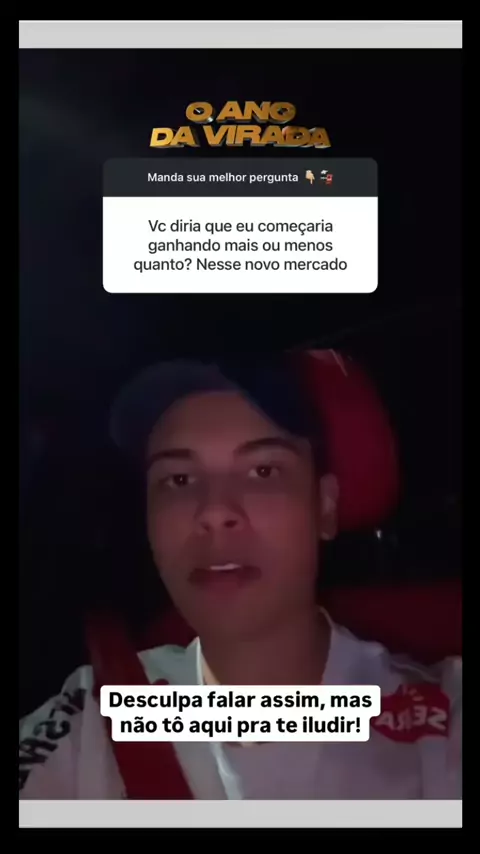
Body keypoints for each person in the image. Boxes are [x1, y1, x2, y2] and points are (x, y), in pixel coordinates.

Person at [19, 353, 462, 799]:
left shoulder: (441, 721)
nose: (213, 511)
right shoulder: (91, 717)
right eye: (178, 480)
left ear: (324, 507)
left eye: (262, 471)